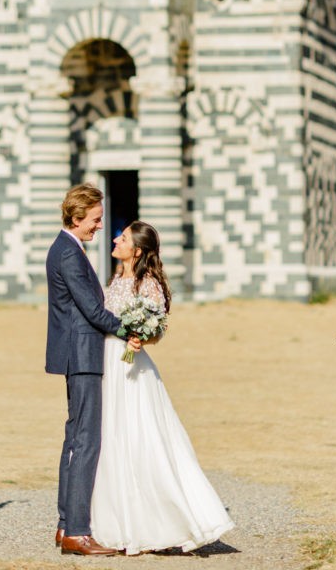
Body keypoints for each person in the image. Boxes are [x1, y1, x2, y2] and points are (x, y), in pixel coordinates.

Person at [91, 221, 235, 555]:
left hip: (130, 367)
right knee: (113, 437)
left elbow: (157, 329)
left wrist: (141, 337)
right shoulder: (116, 279)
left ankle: (164, 520)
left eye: (123, 238)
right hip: (108, 363)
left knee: (141, 437)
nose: (116, 240)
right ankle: (119, 518)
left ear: (137, 250)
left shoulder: (148, 283)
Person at [45, 182, 139, 557]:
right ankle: (77, 532)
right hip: (82, 354)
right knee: (86, 441)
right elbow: (92, 310)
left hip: (78, 353)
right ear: (77, 216)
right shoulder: (68, 252)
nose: (100, 225)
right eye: (96, 219)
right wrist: (131, 330)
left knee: (75, 440)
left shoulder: (66, 248)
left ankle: (65, 524)